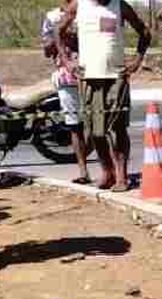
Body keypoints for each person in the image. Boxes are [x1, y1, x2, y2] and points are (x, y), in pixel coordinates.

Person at [56, 0, 151, 192]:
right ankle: (107, 171)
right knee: (95, 130)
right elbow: (58, 31)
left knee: (118, 128)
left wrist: (137, 59)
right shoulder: (78, 5)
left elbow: (145, 32)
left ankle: (121, 176)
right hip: (88, 77)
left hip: (116, 76)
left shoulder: (120, 5)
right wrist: (67, 61)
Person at [41, 2, 90, 183]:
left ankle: (110, 171)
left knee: (99, 124)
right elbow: (47, 50)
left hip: (92, 72)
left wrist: (74, 37)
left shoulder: (88, 12)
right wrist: (59, 35)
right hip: (66, 76)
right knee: (74, 125)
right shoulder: (52, 17)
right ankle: (83, 172)